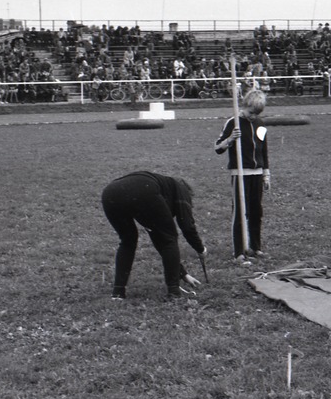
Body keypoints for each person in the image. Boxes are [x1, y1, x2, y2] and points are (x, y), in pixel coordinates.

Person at [101, 171, 207, 299]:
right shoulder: (181, 189)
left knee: (128, 241)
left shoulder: (162, 188)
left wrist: (183, 274)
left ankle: (118, 293)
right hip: (142, 190)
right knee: (170, 238)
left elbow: (159, 238)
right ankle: (173, 292)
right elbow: (186, 226)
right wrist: (200, 249)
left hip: (110, 193)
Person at [214, 89, 270, 262]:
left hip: (257, 174)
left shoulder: (260, 124)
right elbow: (218, 148)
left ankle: (255, 247)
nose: (253, 116)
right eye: (251, 112)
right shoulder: (233, 123)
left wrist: (266, 174)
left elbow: (264, 151)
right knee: (240, 212)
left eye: (257, 114)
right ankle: (238, 252)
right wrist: (230, 139)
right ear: (245, 105)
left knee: (256, 212)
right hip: (240, 174)